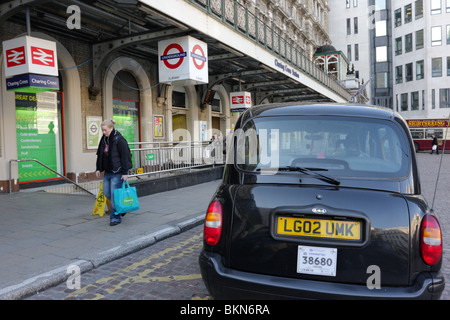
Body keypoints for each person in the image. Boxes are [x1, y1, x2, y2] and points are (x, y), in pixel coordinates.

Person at [95, 120, 132, 226]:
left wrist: (125, 172)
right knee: (107, 193)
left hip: (118, 172)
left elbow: (125, 156)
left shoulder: (119, 140)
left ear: (111, 128)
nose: (103, 132)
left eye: (105, 130)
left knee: (114, 195)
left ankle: (115, 218)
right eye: (102, 130)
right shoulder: (104, 139)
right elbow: (100, 154)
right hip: (108, 171)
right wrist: (98, 168)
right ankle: (121, 207)